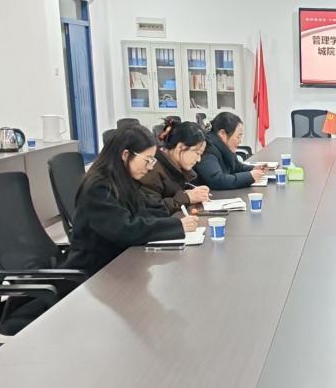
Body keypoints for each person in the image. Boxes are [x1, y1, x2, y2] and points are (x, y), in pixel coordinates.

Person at [63, 126, 197, 275]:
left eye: (153, 160)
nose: (150, 167)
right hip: (95, 271)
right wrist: (176, 226)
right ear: (126, 155)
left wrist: (172, 217)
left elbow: (148, 209)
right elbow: (125, 230)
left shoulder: (124, 179)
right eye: (148, 160)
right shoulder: (98, 187)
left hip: (119, 262)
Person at [138, 118, 210, 215]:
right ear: (180, 147)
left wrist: (193, 192)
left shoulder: (175, 166)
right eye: (197, 153)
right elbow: (150, 209)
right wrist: (186, 198)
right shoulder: (151, 169)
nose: (199, 159)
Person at [195, 112, 265, 190]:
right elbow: (217, 180)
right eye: (238, 137)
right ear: (222, 133)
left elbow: (236, 167)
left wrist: (253, 168)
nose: (240, 141)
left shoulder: (225, 147)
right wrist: (249, 177)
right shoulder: (208, 149)